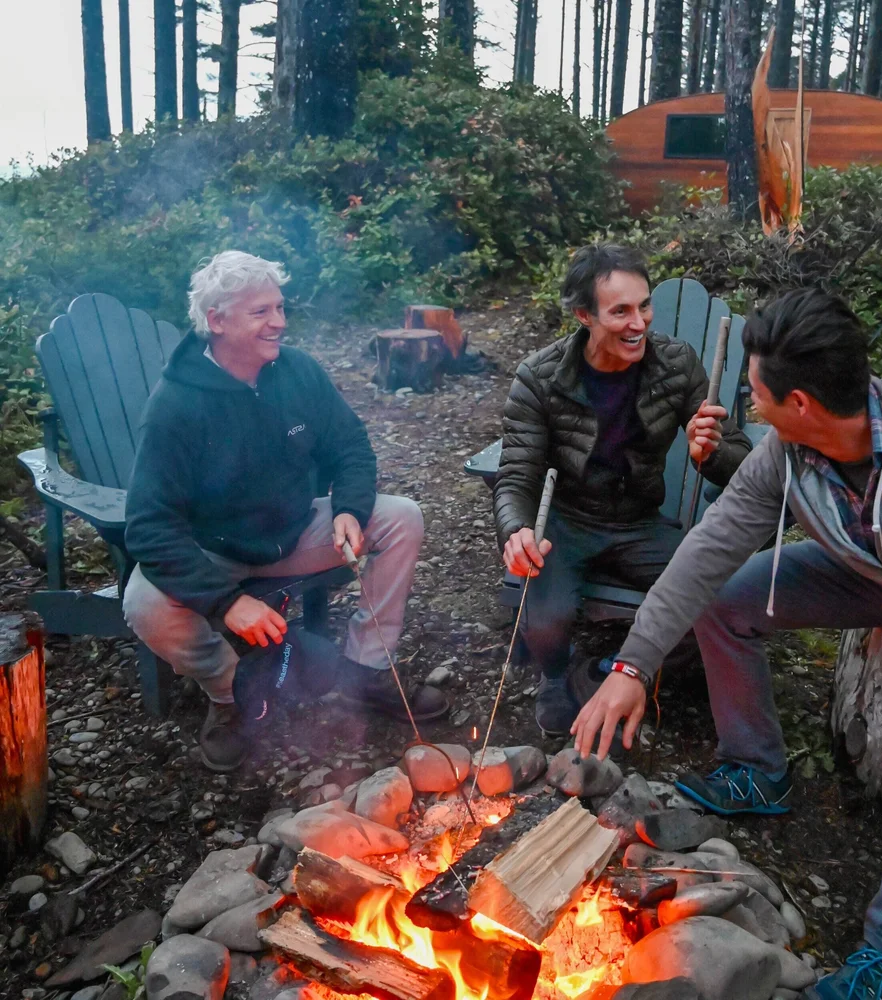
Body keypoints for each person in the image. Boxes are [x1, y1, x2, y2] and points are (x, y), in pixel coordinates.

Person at [572, 287, 882, 999]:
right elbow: (708, 549)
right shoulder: (787, 451)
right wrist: (633, 663)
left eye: (753, 390)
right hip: (873, 575)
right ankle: (756, 769)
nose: (747, 401)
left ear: (799, 401)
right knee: (729, 596)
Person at [123, 250, 447, 773]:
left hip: (295, 533)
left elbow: (352, 447)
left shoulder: (297, 372)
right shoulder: (175, 405)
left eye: (279, 307)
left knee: (402, 516)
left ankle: (365, 670)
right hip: (216, 551)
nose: (279, 322)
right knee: (143, 602)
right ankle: (231, 694)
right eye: (261, 312)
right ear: (217, 321)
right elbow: (149, 525)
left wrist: (348, 509)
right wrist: (226, 602)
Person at [493, 242, 751, 736]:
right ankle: (554, 674)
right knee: (545, 623)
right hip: (567, 523)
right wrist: (517, 529)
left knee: (723, 595)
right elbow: (516, 473)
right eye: (621, 311)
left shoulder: (676, 364)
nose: (639, 323)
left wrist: (710, 451)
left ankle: (613, 669)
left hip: (639, 523)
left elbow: (741, 467)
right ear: (584, 315)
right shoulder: (540, 377)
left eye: (645, 306)